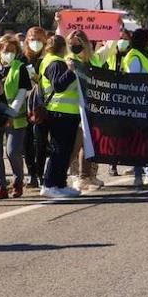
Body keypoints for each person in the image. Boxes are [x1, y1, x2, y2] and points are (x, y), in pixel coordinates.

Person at [37, 34, 83, 199]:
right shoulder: (55, 63)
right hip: (60, 112)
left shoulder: (51, 60)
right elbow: (58, 86)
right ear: (64, 47)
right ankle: (49, 184)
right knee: (58, 150)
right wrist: (70, 71)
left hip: (67, 112)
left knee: (65, 150)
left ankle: (60, 184)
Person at [0, 34, 31, 198]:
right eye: (6, 50)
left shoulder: (20, 68)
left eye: (12, 51)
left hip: (15, 117)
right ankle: (0, 187)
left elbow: (21, 95)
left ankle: (18, 181)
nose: (9, 54)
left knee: (12, 152)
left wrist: (10, 115)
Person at [120, 29, 148, 188]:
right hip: (139, 104)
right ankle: (139, 175)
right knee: (139, 140)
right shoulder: (133, 56)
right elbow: (134, 78)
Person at [63, 31, 104, 192]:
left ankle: (85, 177)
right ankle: (58, 177)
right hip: (75, 109)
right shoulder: (69, 61)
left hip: (91, 108)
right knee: (76, 146)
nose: (74, 46)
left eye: (78, 42)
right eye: (71, 43)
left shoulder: (91, 60)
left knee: (88, 145)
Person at [21, 26, 50, 187]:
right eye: (32, 39)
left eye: (39, 39)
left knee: (41, 142)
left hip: (42, 105)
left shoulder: (47, 59)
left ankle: (40, 173)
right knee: (26, 142)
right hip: (25, 104)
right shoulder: (22, 59)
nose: (35, 43)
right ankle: (31, 173)